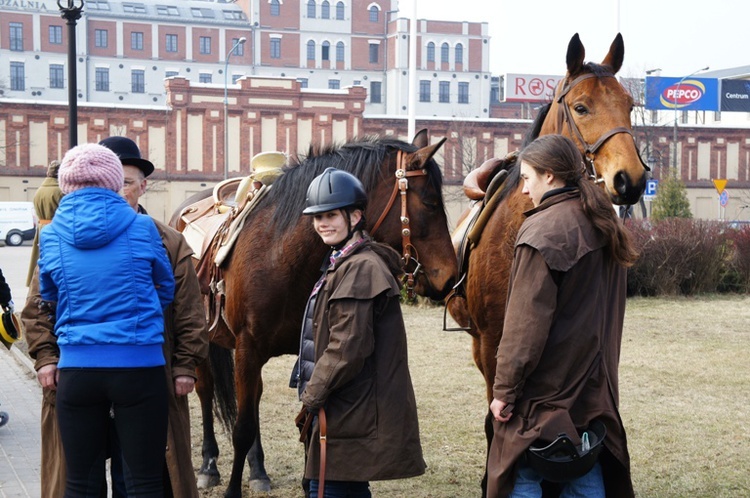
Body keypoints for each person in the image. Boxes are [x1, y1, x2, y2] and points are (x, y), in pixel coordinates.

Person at [24, 136, 208, 498]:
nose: (120, 190)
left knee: (136, 476)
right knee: (88, 477)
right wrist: (46, 358)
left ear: (142, 186)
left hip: (142, 374)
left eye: (128, 182)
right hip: (107, 370)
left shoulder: (168, 239)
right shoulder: (58, 235)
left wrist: (186, 365)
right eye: (115, 180)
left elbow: (189, 310)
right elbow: (37, 308)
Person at [486, 135, 639, 498]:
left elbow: (525, 326)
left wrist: (504, 391)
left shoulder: (543, 231)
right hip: (592, 388)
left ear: (550, 176)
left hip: (544, 393)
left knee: (521, 475)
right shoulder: (604, 223)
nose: (524, 190)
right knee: (583, 470)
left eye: (527, 178)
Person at [291, 167, 425, 498]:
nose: (322, 223)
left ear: (355, 216)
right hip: (345, 404)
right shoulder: (342, 261)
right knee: (342, 484)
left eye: (331, 215)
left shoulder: (361, 268)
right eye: (317, 216)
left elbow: (346, 349)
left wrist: (312, 398)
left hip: (350, 405)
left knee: (331, 487)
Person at [27, 160, 64, 286]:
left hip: (41, 229)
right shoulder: (61, 191)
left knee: (39, 263)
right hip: (56, 229)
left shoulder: (39, 190)